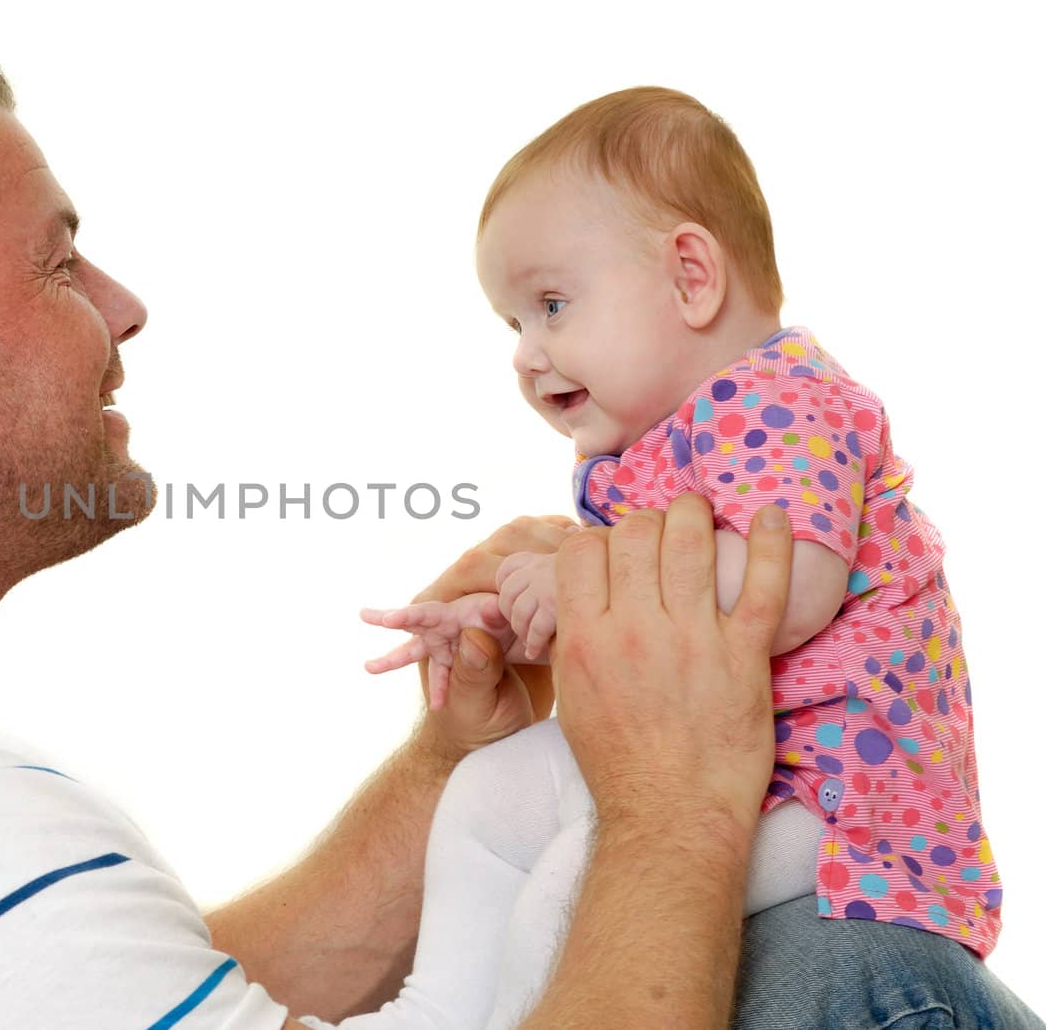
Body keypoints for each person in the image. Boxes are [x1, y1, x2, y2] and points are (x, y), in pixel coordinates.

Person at [0, 21, 1030, 1029]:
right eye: (63, 261)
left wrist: (445, 764)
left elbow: (106, 992)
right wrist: (676, 801)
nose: (127, 308)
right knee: (852, 973)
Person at [355, 87, 1040, 1027]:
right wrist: (513, 621)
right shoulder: (650, 447)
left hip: (836, 795)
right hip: (714, 758)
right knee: (486, 794)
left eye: (551, 304)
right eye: (514, 324)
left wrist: (581, 587)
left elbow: (791, 586)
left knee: (579, 883)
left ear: (690, 276)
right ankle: (432, 1016)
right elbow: (655, 643)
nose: (526, 353)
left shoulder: (787, 400)